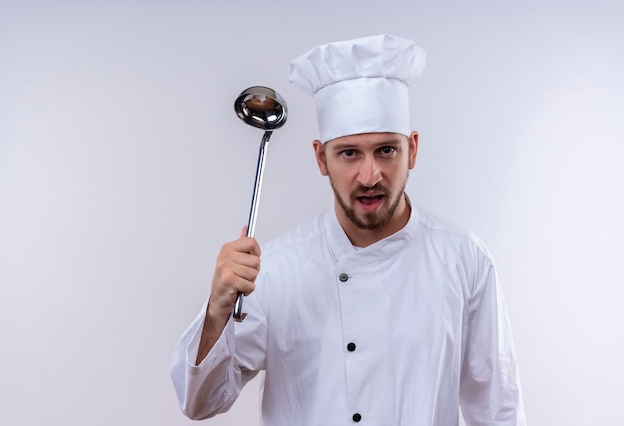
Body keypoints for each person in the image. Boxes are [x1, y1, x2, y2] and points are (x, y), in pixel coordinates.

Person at [171, 34, 526, 425]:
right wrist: (217, 309)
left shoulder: (464, 259)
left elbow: (498, 411)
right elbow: (200, 403)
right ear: (321, 158)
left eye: (386, 150)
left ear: (413, 150)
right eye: (349, 153)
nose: (370, 175)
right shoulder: (276, 268)